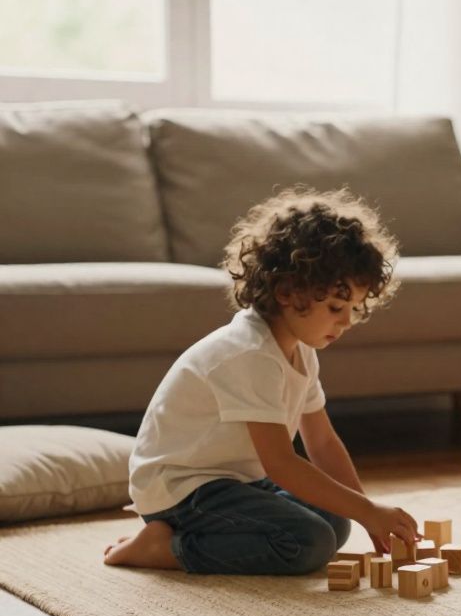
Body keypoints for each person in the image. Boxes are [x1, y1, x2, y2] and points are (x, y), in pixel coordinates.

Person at [104, 187, 421, 574]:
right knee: (309, 542)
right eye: (337, 308)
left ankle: (181, 538)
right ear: (287, 291)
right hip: (182, 487)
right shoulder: (250, 353)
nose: (347, 321)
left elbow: (322, 441)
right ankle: (166, 548)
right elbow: (281, 464)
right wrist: (368, 511)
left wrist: (365, 513)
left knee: (336, 523)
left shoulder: (300, 349)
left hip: (235, 480)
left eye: (354, 309)